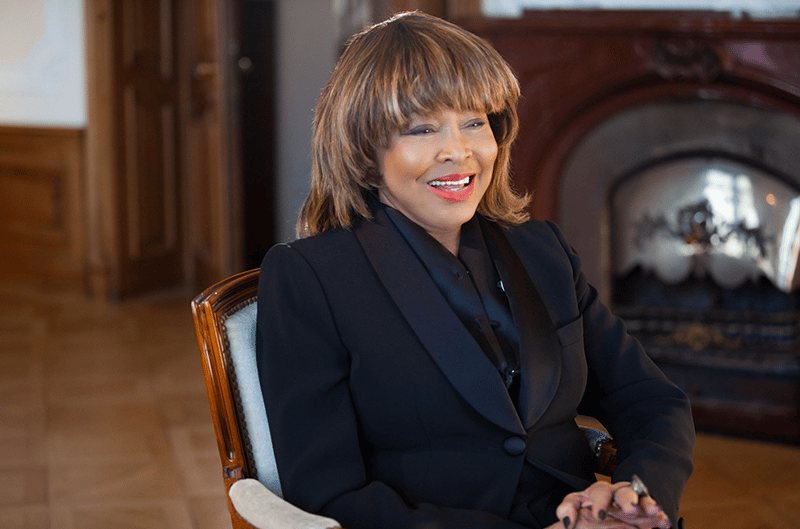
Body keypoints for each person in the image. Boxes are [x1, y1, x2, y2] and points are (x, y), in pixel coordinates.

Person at [256, 11, 695, 529]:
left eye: (474, 122)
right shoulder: (310, 278)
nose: (459, 152)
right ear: (365, 152)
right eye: (421, 129)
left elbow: (648, 398)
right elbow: (329, 497)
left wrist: (633, 496)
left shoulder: (543, 251)